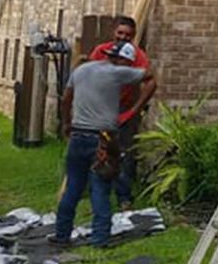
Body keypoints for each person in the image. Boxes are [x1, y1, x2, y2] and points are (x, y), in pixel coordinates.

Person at [50, 40, 156, 247]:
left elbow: (66, 100)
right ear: (120, 59)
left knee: (73, 186)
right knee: (100, 187)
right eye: (128, 62)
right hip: (103, 139)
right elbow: (152, 76)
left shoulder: (80, 71)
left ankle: (61, 234)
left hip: (78, 136)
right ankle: (100, 239)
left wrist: (66, 123)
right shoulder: (117, 72)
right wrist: (134, 109)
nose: (128, 68)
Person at [86, 17, 151, 209]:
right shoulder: (101, 52)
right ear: (114, 32)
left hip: (124, 110)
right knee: (99, 153)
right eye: (120, 33)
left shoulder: (138, 57)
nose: (123, 37)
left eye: (128, 35)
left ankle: (124, 197)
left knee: (124, 154)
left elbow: (151, 81)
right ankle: (98, 196)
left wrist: (134, 110)